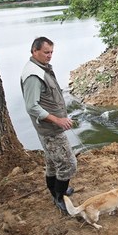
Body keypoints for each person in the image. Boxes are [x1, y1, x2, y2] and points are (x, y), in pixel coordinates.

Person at [21, 36, 77, 214]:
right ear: (34, 51)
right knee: (68, 164)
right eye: (46, 52)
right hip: (50, 129)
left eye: (51, 52)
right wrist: (58, 119)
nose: (49, 55)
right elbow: (31, 106)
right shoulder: (33, 75)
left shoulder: (40, 67)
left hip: (49, 128)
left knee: (53, 163)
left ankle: (56, 192)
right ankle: (60, 199)